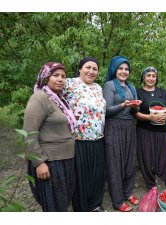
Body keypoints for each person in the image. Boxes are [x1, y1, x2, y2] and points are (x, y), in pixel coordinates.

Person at [24, 62, 76, 212]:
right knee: (53, 206)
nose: (60, 79)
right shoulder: (39, 99)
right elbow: (29, 132)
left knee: (63, 203)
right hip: (50, 162)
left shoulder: (59, 100)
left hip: (65, 159)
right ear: (45, 77)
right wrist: (39, 162)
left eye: (63, 76)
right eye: (56, 75)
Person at [64, 57, 106, 212]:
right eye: (88, 67)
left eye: (95, 69)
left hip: (98, 137)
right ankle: (81, 209)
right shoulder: (70, 83)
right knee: (81, 176)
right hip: (78, 138)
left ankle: (95, 205)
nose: (91, 71)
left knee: (96, 174)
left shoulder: (98, 88)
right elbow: (50, 96)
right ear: (80, 69)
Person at [103, 56, 141, 212]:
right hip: (114, 126)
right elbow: (106, 110)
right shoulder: (109, 85)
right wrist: (123, 105)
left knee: (129, 160)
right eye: (120, 68)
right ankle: (118, 200)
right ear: (114, 69)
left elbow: (135, 110)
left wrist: (136, 106)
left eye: (126, 69)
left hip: (129, 126)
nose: (124, 71)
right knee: (115, 163)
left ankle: (127, 192)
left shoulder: (131, 87)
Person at [135, 66, 166, 190]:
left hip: (162, 130)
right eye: (148, 75)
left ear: (156, 78)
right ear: (143, 77)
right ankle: (151, 184)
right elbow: (135, 113)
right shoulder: (138, 92)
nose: (151, 78)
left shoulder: (162, 91)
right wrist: (149, 117)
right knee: (147, 158)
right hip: (145, 130)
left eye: (154, 76)